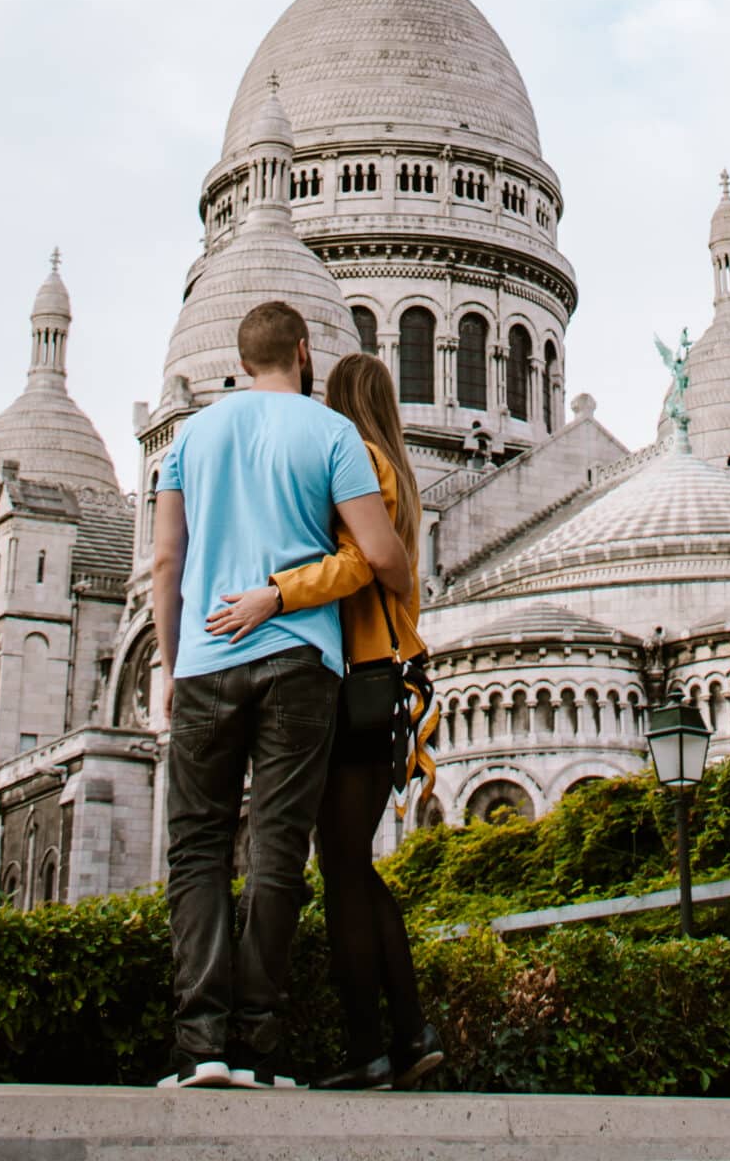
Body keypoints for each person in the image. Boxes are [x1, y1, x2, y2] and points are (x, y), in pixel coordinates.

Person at [150, 300, 410, 1092]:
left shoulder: (190, 434)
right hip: (300, 662)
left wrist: (169, 663)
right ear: (302, 353)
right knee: (276, 852)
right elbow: (379, 554)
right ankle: (259, 1049)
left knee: (195, 850)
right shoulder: (332, 434)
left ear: (238, 358)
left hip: (203, 659)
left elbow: (166, 560)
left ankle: (200, 1048)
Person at [207, 349, 442, 1091]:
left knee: (340, 870)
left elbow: (358, 563)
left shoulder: (358, 459)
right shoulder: (399, 470)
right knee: (350, 867)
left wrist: (274, 594)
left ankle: (374, 1046)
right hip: (380, 689)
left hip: (351, 689)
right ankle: (407, 1037)